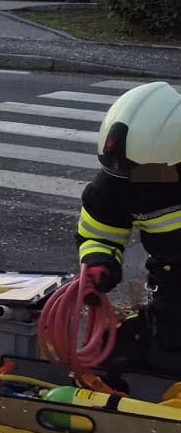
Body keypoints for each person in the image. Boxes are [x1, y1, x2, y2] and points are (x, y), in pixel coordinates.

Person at [75, 81, 181, 375]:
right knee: (169, 354)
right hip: (173, 278)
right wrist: (99, 260)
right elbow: (98, 232)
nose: (132, 181)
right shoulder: (115, 182)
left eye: (143, 171)